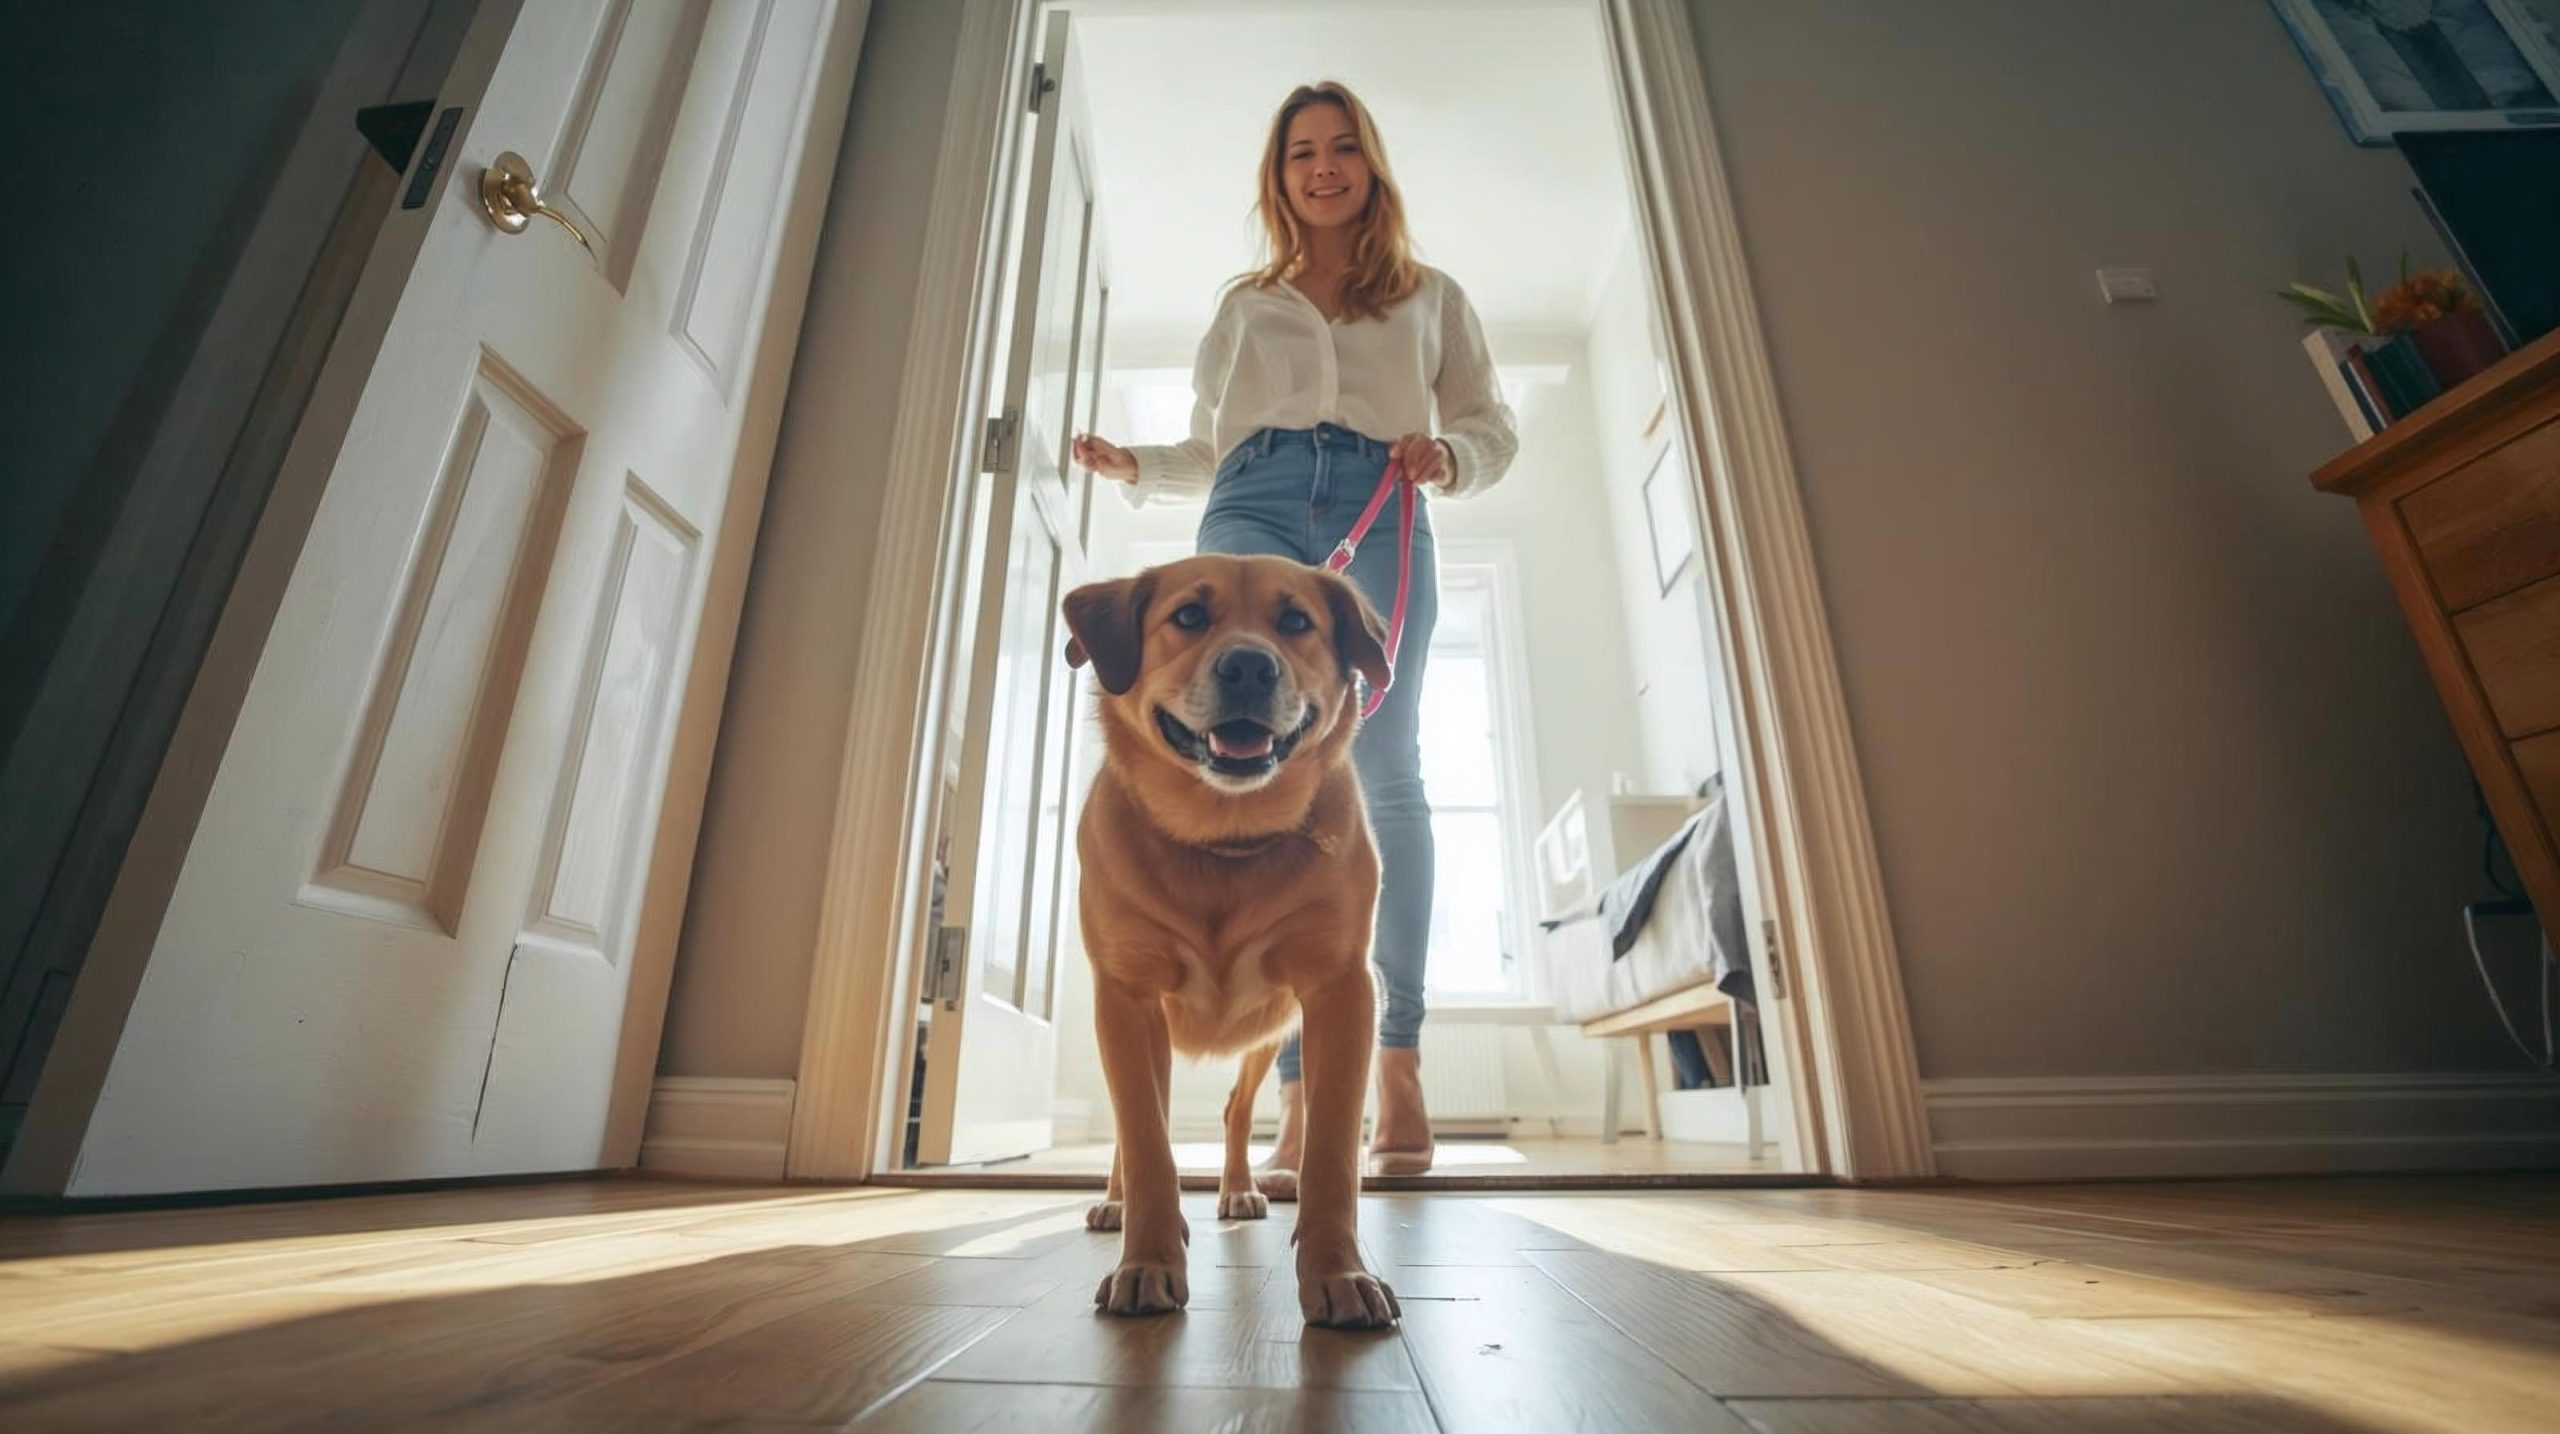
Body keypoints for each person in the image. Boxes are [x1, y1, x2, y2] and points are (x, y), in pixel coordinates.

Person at [1072, 80, 1517, 1187]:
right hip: (1256, 497)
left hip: (1381, 495)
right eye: (1299, 154)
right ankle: (1285, 1094)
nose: (1321, 168)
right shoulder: (1247, 305)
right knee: (1210, 743)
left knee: (1379, 770)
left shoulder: (1430, 296)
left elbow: (1489, 425)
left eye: (1341, 148)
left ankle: (1387, 1069)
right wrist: (1141, 470)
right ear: (1277, 178)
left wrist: (1449, 458)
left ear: (1370, 163)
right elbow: (1212, 444)